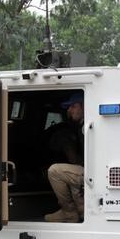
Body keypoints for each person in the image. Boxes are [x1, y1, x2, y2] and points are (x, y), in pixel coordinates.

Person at [44, 93, 85, 223]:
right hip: (92, 171)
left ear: (84, 106)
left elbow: (73, 159)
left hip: (95, 173)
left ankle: (69, 213)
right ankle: (82, 212)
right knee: (71, 177)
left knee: (55, 171)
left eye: (73, 106)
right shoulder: (82, 126)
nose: (69, 110)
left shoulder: (86, 127)